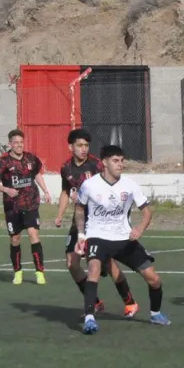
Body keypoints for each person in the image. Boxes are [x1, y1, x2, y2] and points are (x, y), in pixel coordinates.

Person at [74, 145, 169, 334]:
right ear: (104, 163)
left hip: (124, 238)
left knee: (154, 279)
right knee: (93, 270)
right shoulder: (89, 185)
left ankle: (155, 313)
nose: (120, 164)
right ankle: (90, 318)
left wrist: (140, 229)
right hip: (97, 236)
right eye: (116, 161)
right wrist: (81, 235)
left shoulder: (130, 185)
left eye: (122, 160)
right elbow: (78, 210)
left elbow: (147, 212)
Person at [55, 129, 138, 318]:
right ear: (71, 147)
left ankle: (130, 302)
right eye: (80, 145)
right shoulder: (66, 167)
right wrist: (59, 214)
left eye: (86, 145)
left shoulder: (97, 164)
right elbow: (66, 192)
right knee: (71, 263)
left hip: (100, 224)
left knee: (107, 264)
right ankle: (95, 302)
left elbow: (114, 186)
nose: (84, 149)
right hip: (80, 222)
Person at [0, 129, 51, 285]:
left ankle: (39, 272)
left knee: (33, 234)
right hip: (12, 207)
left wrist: (46, 191)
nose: (19, 145)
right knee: (15, 239)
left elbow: (36, 174)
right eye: (16, 142)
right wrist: (6, 189)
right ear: (10, 143)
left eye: (21, 142)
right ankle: (17, 272)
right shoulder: (3, 161)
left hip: (31, 204)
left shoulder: (31, 158)